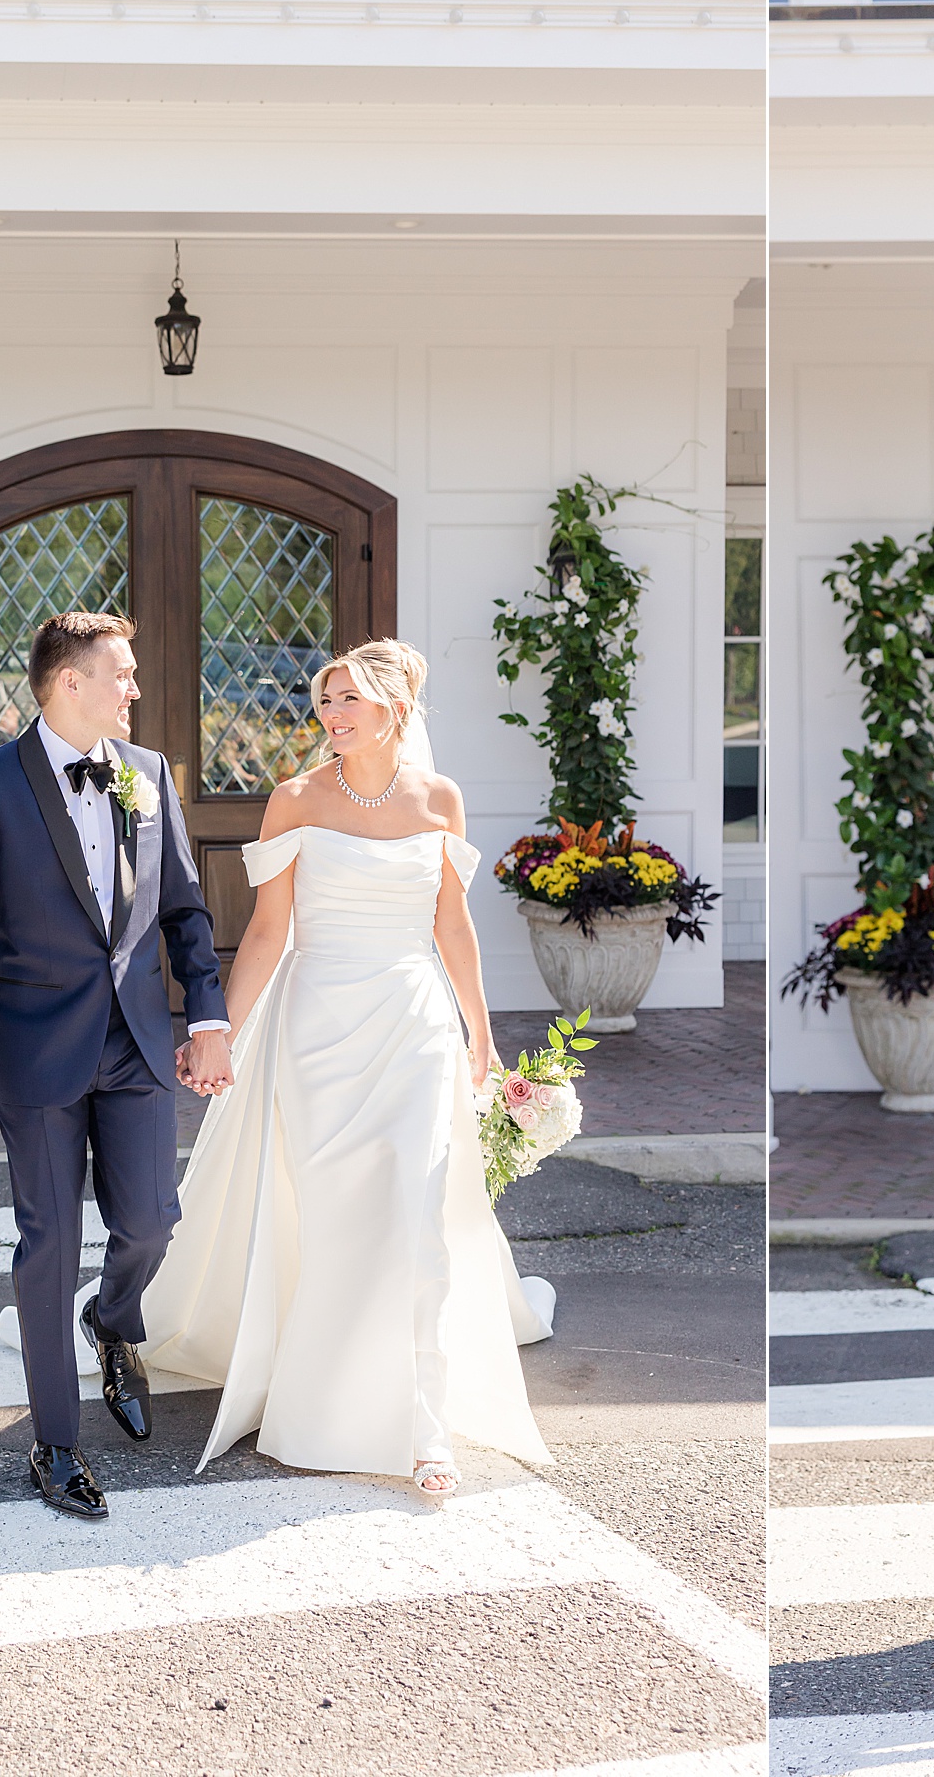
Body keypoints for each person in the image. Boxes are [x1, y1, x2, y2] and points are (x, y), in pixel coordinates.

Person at [138, 639, 552, 1498]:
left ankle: (422, 1424)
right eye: (324, 700)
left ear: (395, 709)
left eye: (347, 699)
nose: (330, 714)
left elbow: (453, 927)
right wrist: (218, 1028)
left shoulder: (441, 799)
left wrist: (480, 1029)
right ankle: (320, 1393)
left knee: (414, 1206)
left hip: (412, 1022)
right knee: (331, 1213)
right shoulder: (294, 800)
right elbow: (264, 931)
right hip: (319, 1024)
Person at [0, 611, 233, 1523]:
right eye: (122, 674)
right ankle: (55, 1445)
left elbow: (183, 909)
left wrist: (207, 1013)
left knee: (151, 1221)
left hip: (134, 1042)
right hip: (32, 1052)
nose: (136, 687)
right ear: (69, 683)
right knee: (49, 1245)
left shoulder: (150, 776)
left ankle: (114, 1320)